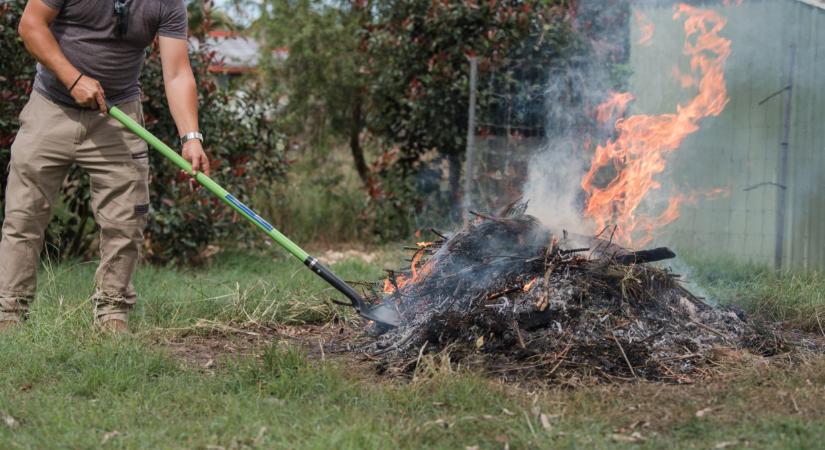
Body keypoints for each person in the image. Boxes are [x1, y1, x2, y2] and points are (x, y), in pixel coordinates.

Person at [0, 0, 210, 333]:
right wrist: (72, 78)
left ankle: (113, 314)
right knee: (24, 215)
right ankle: (9, 315)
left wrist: (191, 137)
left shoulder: (167, 3)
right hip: (51, 106)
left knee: (126, 219)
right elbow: (31, 25)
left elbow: (177, 72)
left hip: (118, 112)